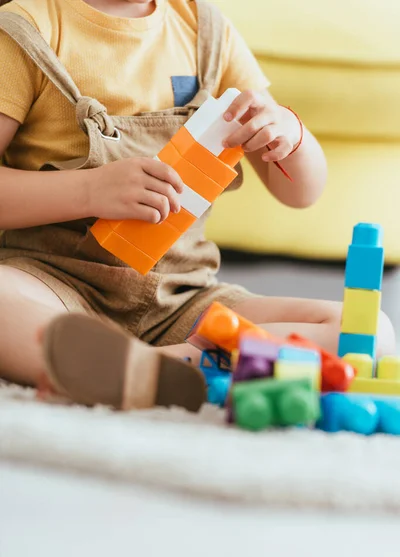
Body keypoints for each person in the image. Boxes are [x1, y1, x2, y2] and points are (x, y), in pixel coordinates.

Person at [0, 0, 395, 411]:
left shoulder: (205, 31)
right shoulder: (24, 31)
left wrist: (289, 134)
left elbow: (299, 193)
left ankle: (160, 368)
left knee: (369, 332)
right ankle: (184, 368)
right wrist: (88, 190)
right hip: (56, 285)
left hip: (186, 302)